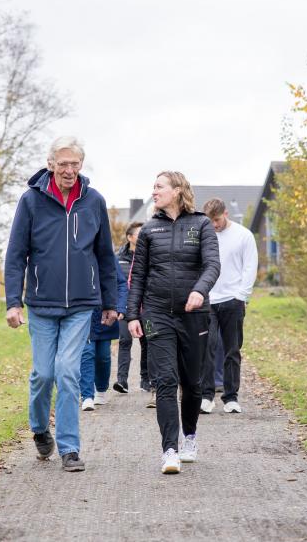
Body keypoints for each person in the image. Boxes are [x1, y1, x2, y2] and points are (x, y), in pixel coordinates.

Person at [4, 136, 118, 473]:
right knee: (43, 374)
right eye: (63, 163)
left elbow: (105, 255)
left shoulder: (93, 201)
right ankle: (40, 428)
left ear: (81, 165)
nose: (69, 170)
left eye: (75, 164)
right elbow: (15, 255)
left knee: (68, 372)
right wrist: (13, 302)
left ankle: (69, 448)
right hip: (41, 304)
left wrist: (111, 301)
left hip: (81, 305)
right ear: (52, 164)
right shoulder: (31, 201)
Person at [127, 171, 220, 474]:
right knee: (165, 381)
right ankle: (169, 450)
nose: (154, 191)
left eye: (159, 187)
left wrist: (199, 290)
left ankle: (189, 436)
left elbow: (212, 265)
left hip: (195, 315)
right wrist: (132, 315)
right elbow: (138, 276)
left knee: (193, 383)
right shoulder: (150, 231)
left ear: (178, 190)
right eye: (152, 186)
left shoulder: (202, 224)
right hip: (157, 314)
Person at [199, 198, 258, 415]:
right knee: (207, 346)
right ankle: (206, 396)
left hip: (233, 299)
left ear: (226, 214)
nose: (214, 225)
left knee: (232, 349)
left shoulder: (243, 235)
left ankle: (231, 397)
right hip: (208, 300)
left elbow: (250, 266)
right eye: (210, 221)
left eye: (216, 220)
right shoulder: (204, 235)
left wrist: (241, 295)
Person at [80, 256, 128, 411]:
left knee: (103, 356)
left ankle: (101, 389)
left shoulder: (108, 256)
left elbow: (121, 283)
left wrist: (120, 307)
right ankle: (87, 395)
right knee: (87, 353)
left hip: (105, 314)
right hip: (83, 313)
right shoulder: (76, 253)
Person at [113, 222, 152, 398]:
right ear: (130, 237)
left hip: (145, 307)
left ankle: (146, 379)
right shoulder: (118, 258)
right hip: (124, 307)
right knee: (125, 341)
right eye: (139, 233)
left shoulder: (150, 256)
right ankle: (122, 381)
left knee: (147, 343)